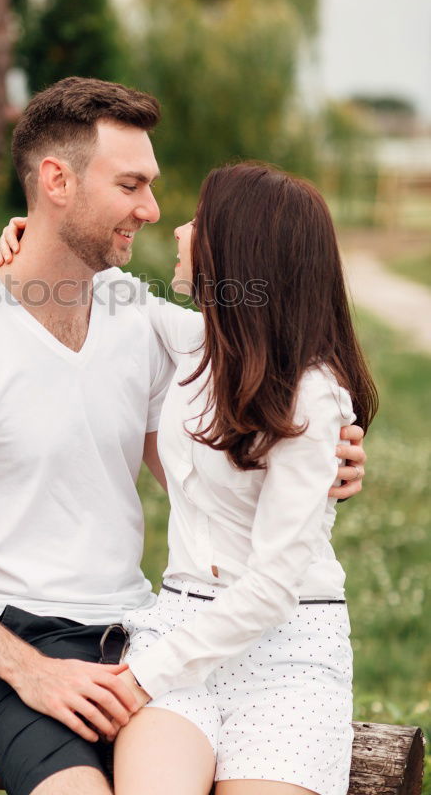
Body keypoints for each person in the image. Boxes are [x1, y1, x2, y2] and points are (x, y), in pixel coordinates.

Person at [0, 77, 366, 795]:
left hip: (145, 626)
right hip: (21, 639)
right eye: (132, 184)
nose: (154, 210)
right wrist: (28, 671)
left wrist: (315, 464)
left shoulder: (133, 316)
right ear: (56, 182)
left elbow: (248, 402)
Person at [108, 163, 378, 795]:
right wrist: (23, 236)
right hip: (180, 627)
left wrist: (144, 677)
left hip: (289, 651)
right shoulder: (201, 341)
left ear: (238, 248)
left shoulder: (312, 396)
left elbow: (273, 588)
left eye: (198, 222)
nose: (178, 230)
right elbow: (107, 292)